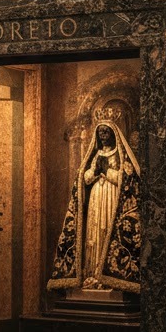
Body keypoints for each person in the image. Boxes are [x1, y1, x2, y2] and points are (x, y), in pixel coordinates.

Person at [47, 117, 142, 293]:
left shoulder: (120, 154)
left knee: (107, 228)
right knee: (94, 232)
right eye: (100, 133)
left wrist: (107, 171)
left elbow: (128, 179)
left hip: (112, 197)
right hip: (96, 198)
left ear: (113, 134)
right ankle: (92, 272)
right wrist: (94, 171)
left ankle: (107, 274)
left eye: (106, 132)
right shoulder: (95, 155)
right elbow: (84, 179)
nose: (103, 135)